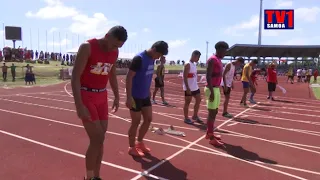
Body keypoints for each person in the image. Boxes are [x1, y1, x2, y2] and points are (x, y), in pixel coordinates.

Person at [71, 26, 127, 180]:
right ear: (107, 35)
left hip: (102, 96)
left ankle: (96, 176)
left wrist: (117, 95)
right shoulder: (87, 47)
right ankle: (88, 177)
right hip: (86, 95)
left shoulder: (115, 52)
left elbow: (112, 74)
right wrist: (79, 105)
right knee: (97, 138)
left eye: (118, 46)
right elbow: (75, 77)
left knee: (100, 139)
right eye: (114, 44)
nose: (114, 48)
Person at [126, 41, 169, 157]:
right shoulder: (139, 58)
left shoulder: (152, 59)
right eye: (159, 55)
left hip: (145, 95)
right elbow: (129, 77)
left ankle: (139, 142)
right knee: (135, 122)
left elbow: (147, 75)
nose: (159, 57)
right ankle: (131, 147)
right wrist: (128, 97)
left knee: (148, 119)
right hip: (135, 96)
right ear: (154, 49)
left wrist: (148, 89)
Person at [205, 41, 229, 147]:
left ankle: (210, 133)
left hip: (216, 88)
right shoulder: (212, 60)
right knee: (211, 113)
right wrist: (211, 91)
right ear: (219, 49)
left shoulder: (219, 60)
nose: (225, 53)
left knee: (214, 112)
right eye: (224, 50)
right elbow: (208, 76)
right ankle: (211, 138)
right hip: (211, 89)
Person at [182, 50, 203, 124]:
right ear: (194, 56)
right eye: (198, 57)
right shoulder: (188, 64)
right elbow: (184, 77)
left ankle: (195, 115)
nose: (198, 59)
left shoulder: (194, 64)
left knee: (199, 99)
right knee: (187, 102)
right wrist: (187, 88)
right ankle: (186, 118)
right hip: (189, 88)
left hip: (195, 87)